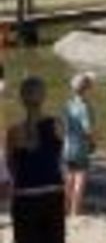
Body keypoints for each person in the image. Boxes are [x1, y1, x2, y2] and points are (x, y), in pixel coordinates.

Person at [6, 76, 65, 243]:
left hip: (25, 194)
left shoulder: (13, 131)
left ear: (21, 99)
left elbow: (11, 166)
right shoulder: (57, 124)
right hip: (53, 191)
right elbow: (59, 158)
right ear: (44, 97)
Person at [62, 72, 96, 217]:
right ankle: (75, 210)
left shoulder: (68, 105)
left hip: (67, 145)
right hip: (81, 146)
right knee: (80, 177)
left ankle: (64, 208)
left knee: (68, 177)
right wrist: (94, 141)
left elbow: (63, 125)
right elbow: (87, 128)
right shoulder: (85, 106)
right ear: (87, 88)